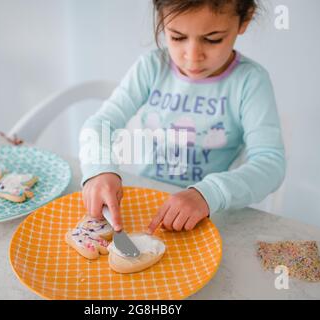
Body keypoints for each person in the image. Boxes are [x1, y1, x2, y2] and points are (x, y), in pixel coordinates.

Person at [79, 0, 286, 234]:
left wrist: (208, 194)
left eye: (212, 39)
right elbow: (100, 124)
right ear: (161, 20)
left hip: (209, 215)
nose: (192, 56)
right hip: (150, 204)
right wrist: (99, 169)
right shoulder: (151, 67)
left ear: (245, 18)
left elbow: (270, 163)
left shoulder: (250, 81)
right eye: (177, 37)